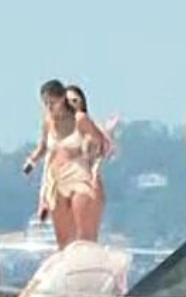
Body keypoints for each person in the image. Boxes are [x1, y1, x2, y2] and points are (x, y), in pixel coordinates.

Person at [23, 80, 114, 248]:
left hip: (78, 174)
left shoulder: (79, 119)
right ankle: (69, 268)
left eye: (52, 102)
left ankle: (88, 262)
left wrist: (91, 152)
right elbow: (43, 147)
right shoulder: (48, 121)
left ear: (62, 98)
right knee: (63, 241)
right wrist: (32, 161)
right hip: (56, 179)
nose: (49, 107)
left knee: (83, 235)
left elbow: (100, 142)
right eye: (46, 103)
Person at [64, 83, 120, 241]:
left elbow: (108, 147)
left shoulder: (84, 124)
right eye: (67, 102)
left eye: (75, 100)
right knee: (80, 236)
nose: (71, 105)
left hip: (88, 181)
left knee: (85, 236)